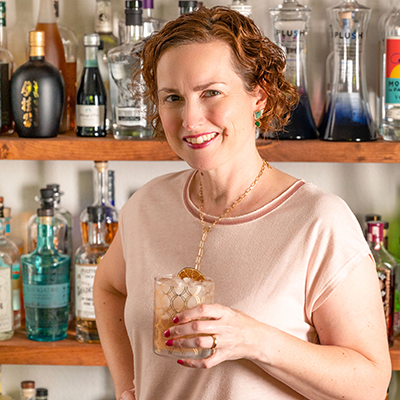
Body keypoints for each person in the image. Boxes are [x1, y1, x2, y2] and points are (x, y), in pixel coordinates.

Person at [93, 6, 391, 400]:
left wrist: (254, 340)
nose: (190, 120)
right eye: (173, 98)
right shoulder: (146, 206)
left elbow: (370, 384)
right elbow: (107, 288)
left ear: (259, 96)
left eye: (211, 93)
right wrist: (127, 387)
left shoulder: (319, 221)